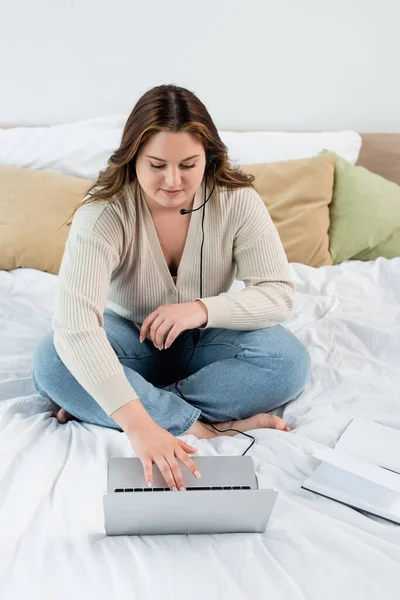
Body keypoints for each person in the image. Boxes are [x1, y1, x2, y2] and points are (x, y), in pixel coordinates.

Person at [31, 84, 311, 492]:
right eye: (157, 164)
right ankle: (207, 427)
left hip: (206, 340)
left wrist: (200, 310)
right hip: (130, 342)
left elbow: (278, 292)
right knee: (53, 359)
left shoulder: (238, 200)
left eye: (189, 164)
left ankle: (108, 399)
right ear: (133, 159)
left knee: (288, 361)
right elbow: (75, 326)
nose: (173, 180)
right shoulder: (104, 212)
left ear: (209, 158)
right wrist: (140, 427)